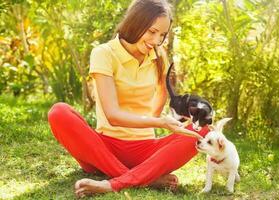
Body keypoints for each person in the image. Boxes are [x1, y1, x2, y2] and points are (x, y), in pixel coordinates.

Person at [48, 0, 209, 197]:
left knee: (204, 129)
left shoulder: (159, 57)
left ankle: (114, 182)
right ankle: (140, 178)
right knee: (59, 112)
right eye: (152, 31)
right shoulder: (104, 53)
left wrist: (171, 119)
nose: (156, 40)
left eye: (162, 35)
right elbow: (112, 115)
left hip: (144, 150)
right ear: (136, 22)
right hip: (104, 149)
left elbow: (160, 99)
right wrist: (160, 122)